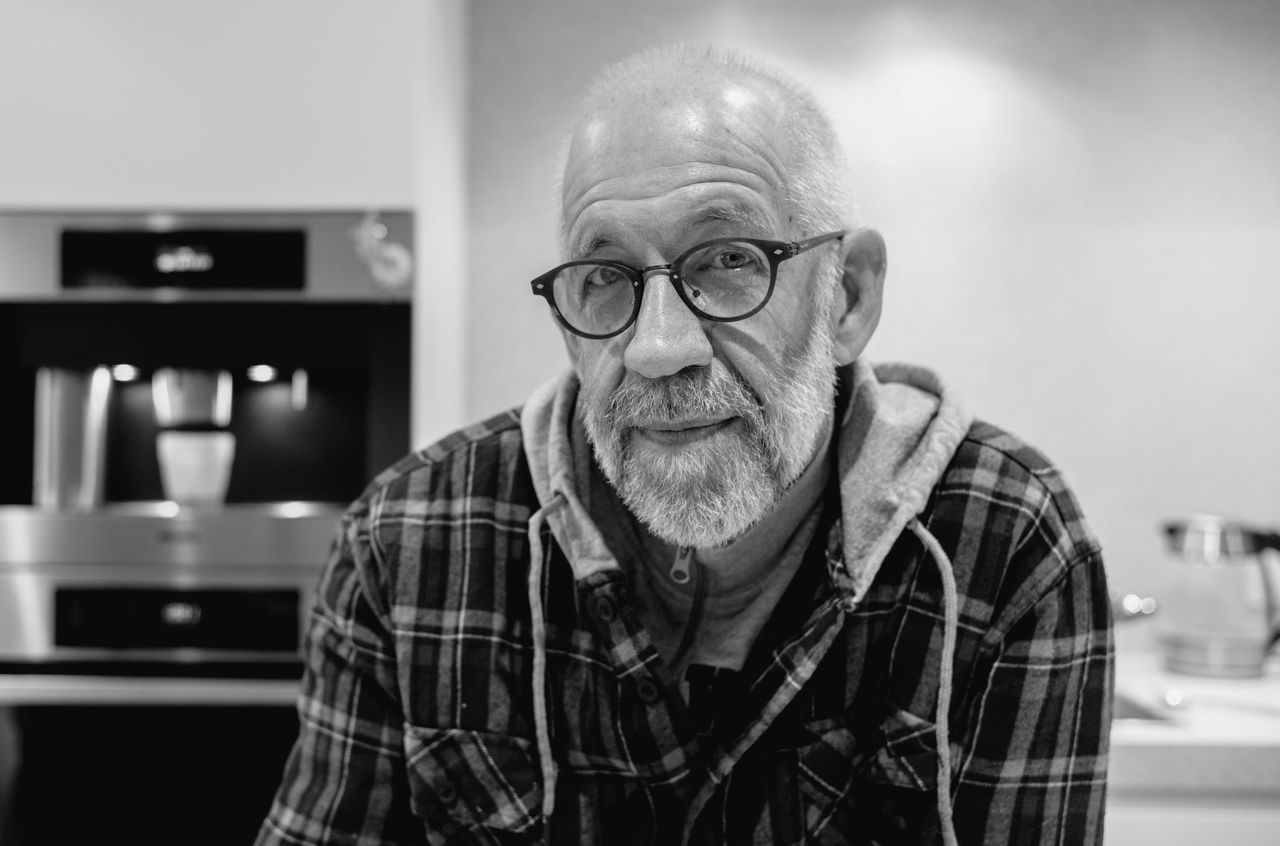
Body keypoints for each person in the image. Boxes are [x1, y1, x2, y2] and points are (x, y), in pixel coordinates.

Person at [255, 44, 1112, 846]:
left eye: (729, 260)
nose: (658, 348)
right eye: (605, 278)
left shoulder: (1002, 547)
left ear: (847, 296)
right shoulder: (409, 541)